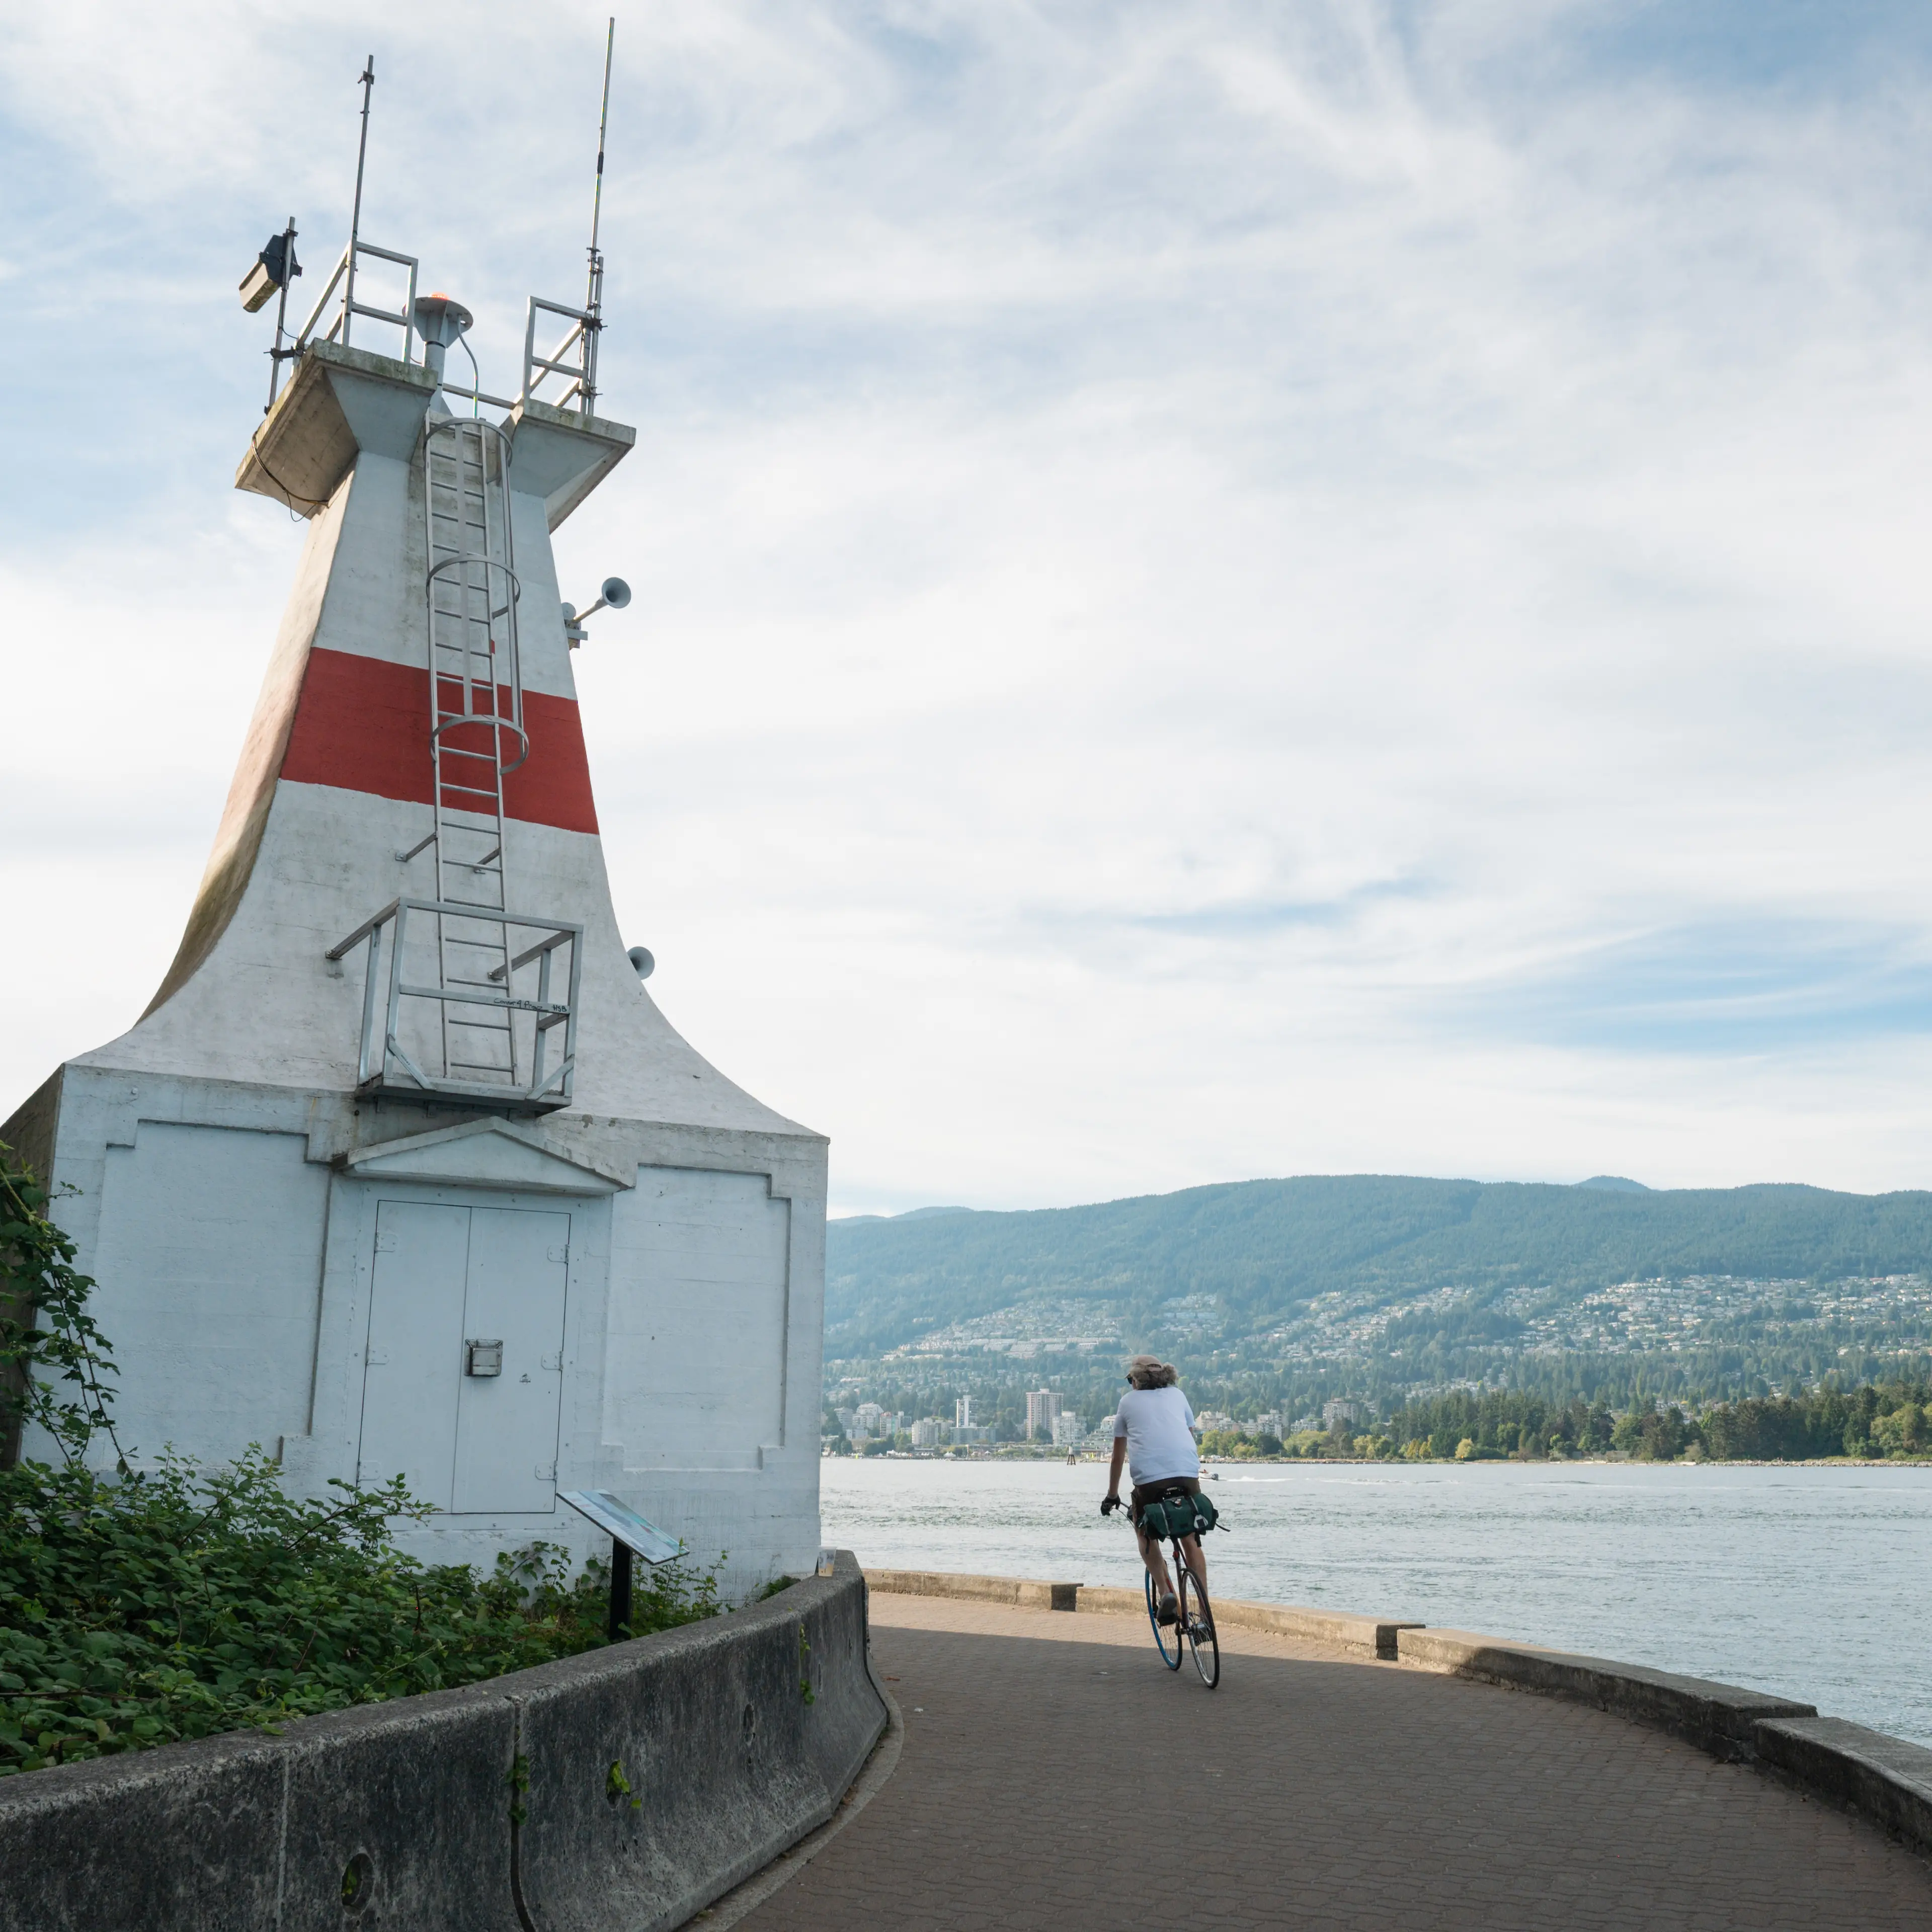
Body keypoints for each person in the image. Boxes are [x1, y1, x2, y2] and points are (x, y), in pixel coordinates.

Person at [1101, 1355, 1206, 1626]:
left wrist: (1112, 1495)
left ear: (1135, 1379)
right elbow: (1188, 1438)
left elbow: (1117, 1458)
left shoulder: (1127, 1402)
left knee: (1145, 1532)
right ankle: (1206, 1616)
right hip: (1187, 1475)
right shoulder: (1178, 1395)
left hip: (1150, 1482)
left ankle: (1166, 1592)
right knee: (1190, 1539)